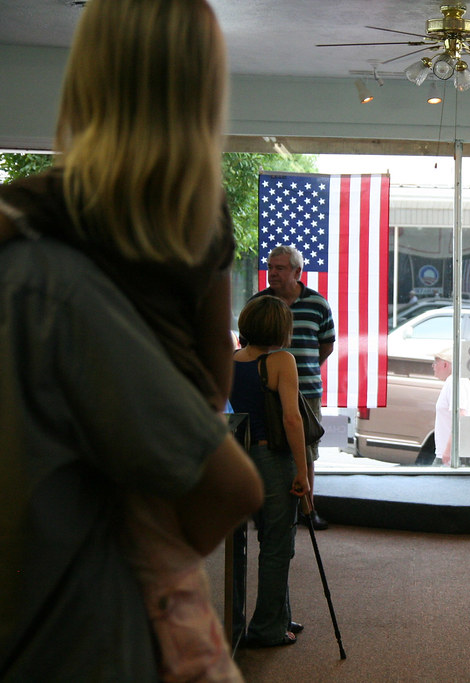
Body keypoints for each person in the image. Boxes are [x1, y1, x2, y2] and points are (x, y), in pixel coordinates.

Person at [0, 1, 262, 679]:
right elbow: (216, 376)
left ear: (88, 78)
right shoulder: (200, 219)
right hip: (163, 479)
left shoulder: (38, 218)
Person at [229, 296, 311, 648]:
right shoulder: (281, 361)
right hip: (270, 459)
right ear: (281, 329)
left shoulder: (230, 361)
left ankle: (243, 621)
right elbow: (292, 419)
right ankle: (267, 628)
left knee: (236, 547)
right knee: (277, 544)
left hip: (235, 458)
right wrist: (303, 471)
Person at [251, 245, 336, 529]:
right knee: (265, 450)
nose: (272, 273)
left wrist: (301, 372)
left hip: (306, 392)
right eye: (270, 267)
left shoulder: (318, 304)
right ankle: (264, 510)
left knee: (306, 451)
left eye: (280, 268)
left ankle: (308, 510)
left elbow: (326, 345)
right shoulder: (258, 304)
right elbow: (248, 347)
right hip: (265, 392)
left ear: (297, 272)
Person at [432, 346, 470, 466]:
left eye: (435, 362)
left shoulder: (454, 381)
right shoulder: (462, 381)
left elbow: (460, 416)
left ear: (445, 364)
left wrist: (448, 450)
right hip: (460, 452)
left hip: (454, 454)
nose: (433, 366)